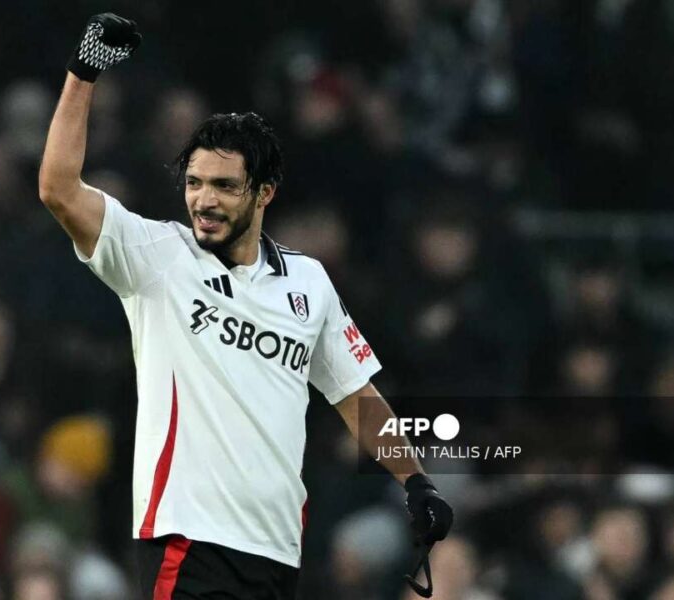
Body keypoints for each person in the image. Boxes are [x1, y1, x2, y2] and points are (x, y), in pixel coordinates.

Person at [38, 13, 453, 599]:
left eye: (224, 186)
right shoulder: (156, 256)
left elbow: (356, 396)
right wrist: (84, 74)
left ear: (264, 194)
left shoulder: (309, 284)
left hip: (278, 551)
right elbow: (57, 187)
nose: (203, 200)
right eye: (194, 183)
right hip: (187, 541)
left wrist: (416, 483)